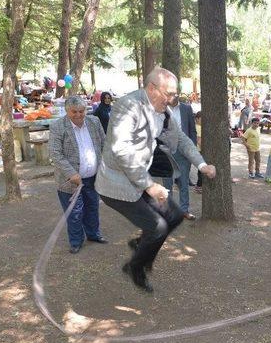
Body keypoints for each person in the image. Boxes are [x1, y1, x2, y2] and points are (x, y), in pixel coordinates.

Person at [95, 67, 216, 292]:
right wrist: (150, 186)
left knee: (175, 216)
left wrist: (201, 165)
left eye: (174, 95)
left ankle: (141, 244)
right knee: (158, 227)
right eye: (168, 94)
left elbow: (181, 139)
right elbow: (121, 151)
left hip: (140, 178)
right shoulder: (127, 106)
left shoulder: (162, 111)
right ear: (152, 88)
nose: (172, 100)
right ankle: (135, 267)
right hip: (116, 185)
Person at [48, 95, 107, 254]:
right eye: (74, 112)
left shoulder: (94, 122)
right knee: (75, 212)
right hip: (70, 181)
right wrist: (71, 173)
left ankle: (94, 234)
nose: (79, 115)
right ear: (67, 111)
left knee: (92, 207)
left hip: (93, 177)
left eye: (81, 111)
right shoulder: (58, 126)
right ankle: (76, 241)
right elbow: (55, 153)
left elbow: (104, 143)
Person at [162, 94, 198, 220]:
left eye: (176, 92)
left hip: (183, 152)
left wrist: (191, 148)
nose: (174, 95)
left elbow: (192, 130)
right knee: (167, 184)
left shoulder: (186, 109)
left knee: (184, 182)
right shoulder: (161, 108)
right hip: (166, 152)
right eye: (171, 93)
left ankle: (184, 210)